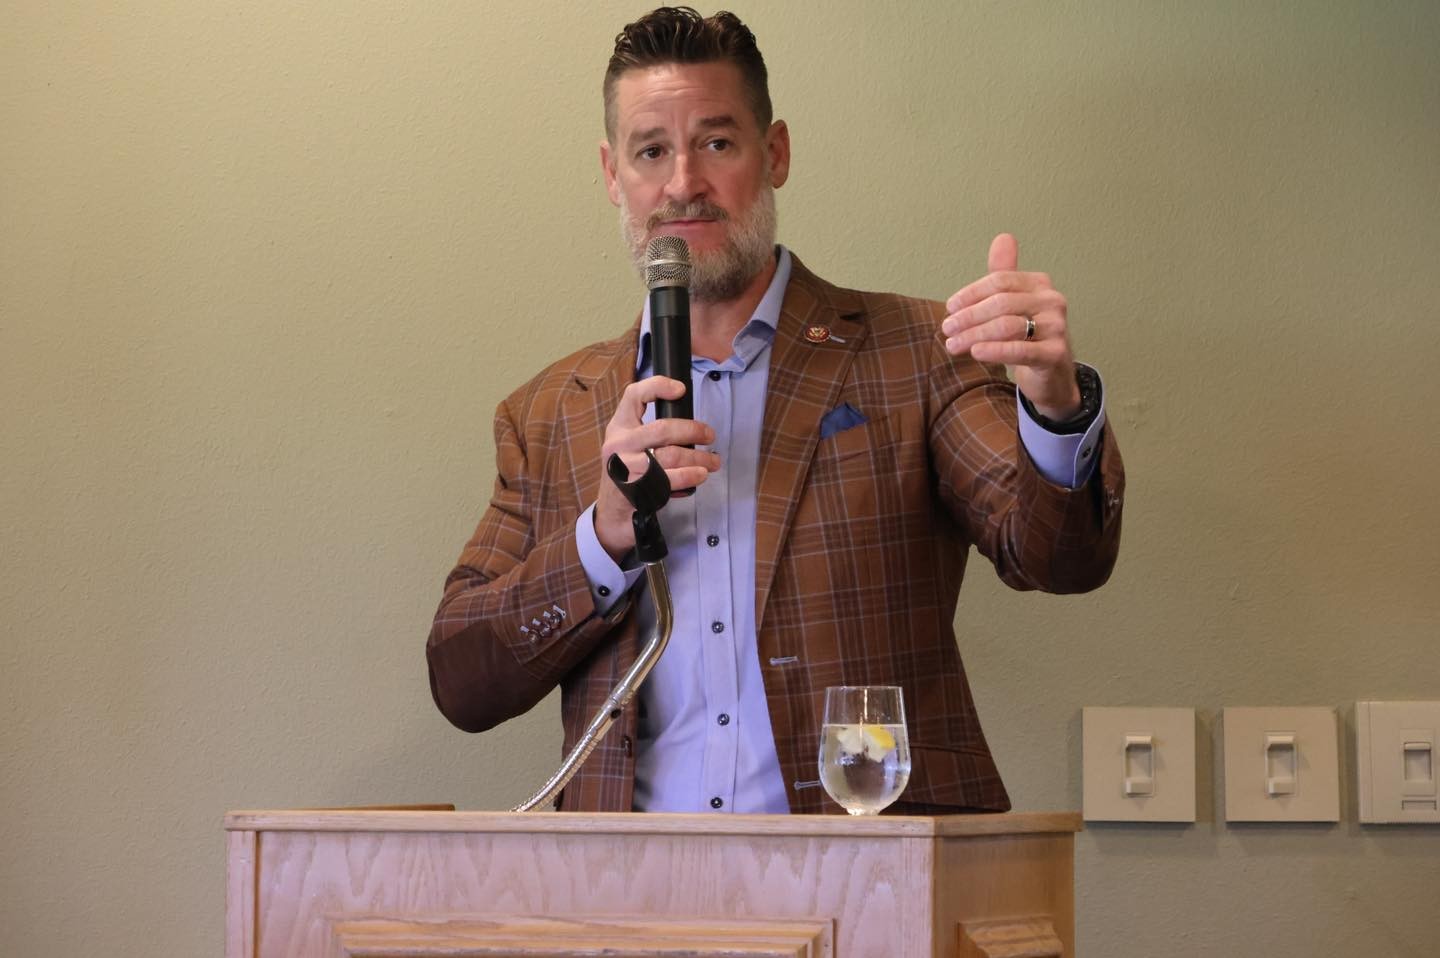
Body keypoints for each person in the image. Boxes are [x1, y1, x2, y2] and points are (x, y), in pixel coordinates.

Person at [426, 7, 1124, 814]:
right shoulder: (550, 412)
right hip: (631, 883)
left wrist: (1053, 402)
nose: (683, 182)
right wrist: (605, 534)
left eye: (717, 143)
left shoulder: (918, 351)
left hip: (869, 872)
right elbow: (462, 680)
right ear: (614, 176)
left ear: (776, 153)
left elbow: (1060, 558)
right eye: (651, 151)